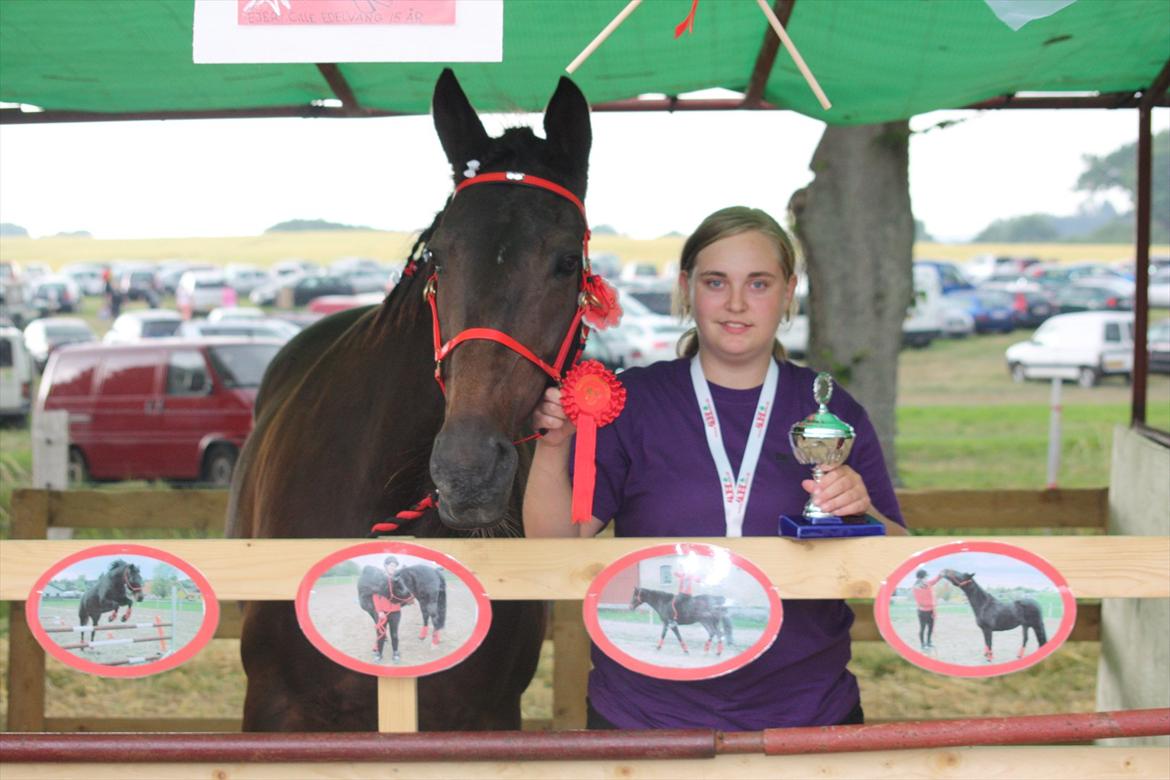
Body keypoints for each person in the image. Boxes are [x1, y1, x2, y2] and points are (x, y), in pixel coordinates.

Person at [524, 206, 906, 731]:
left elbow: (899, 563)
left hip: (804, 717)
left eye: (758, 283)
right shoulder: (632, 402)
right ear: (686, 289)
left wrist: (859, 510)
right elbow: (553, 551)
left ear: (788, 291)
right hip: (645, 718)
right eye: (715, 281)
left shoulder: (830, 411)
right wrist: (552, 448)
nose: (735, 303)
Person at [913, 568, 942, 649]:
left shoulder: (925, 583)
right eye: (926, 576)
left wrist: (940, 575)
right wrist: (940, 575)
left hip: (930, 610)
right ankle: (923, 644)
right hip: (923, 611)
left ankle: (928, 642)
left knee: (930, 627)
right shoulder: (918, 585)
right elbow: (933, 581)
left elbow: (934, 581)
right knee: (923, 628)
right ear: (923, 576)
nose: (927, 578)